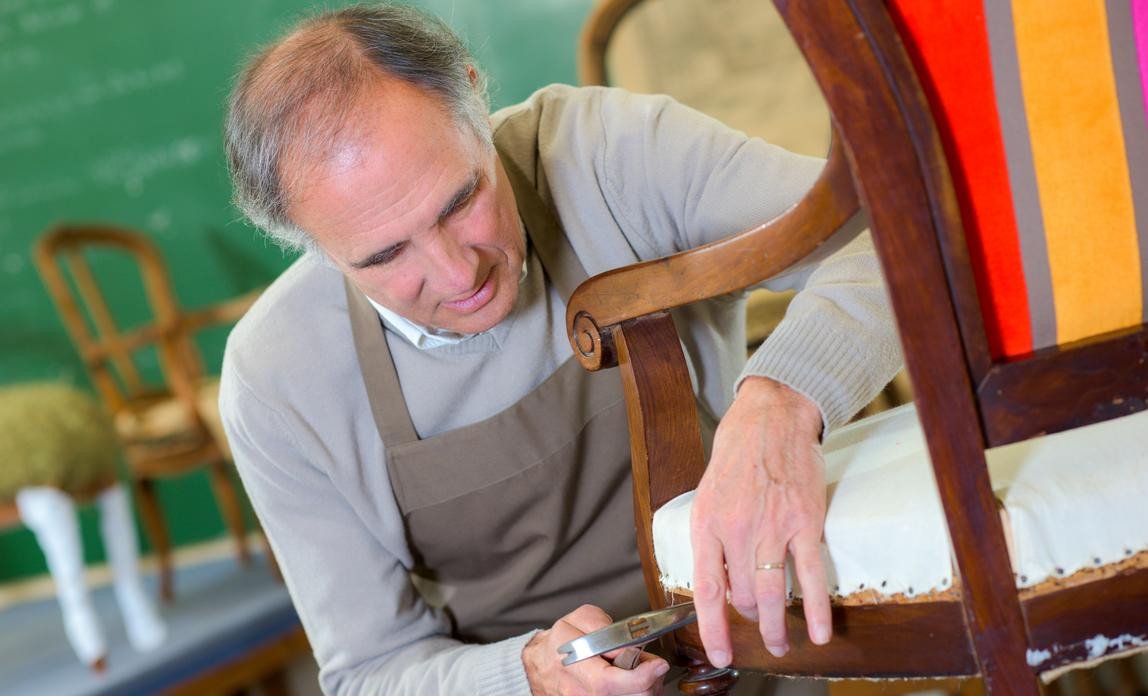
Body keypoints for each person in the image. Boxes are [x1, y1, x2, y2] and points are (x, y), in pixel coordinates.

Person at [220, 4, 902, 695]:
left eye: (460, 200)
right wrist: (527, 677)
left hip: (768, 656)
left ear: (473, 92)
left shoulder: (608, 155)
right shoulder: (276, 381)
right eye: (387, 255)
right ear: (310, 246)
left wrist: (782, 401)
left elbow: (900, 231)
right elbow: (368, 673)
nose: (461, 275)